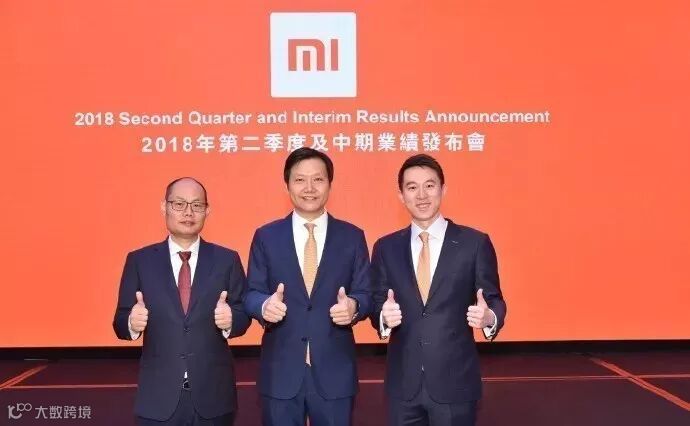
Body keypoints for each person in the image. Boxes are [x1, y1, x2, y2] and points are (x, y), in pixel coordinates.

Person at [370, 154, 507, 426]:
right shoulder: (385, 247)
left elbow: (493, 300)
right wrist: (383, 316)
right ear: (401, 196)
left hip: (455, 383)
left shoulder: (474, 243)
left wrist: (489, 317)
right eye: (412, 187)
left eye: (429, 185)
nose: (421, 195)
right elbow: (377, 303)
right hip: (403, 386)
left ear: (443, 189)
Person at [244, 147, 372, 426]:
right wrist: (265, 306)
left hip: (335, 372)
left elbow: (365, 292)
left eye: (318, 179)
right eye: (300, 180)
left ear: (330, 184)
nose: (309, 188)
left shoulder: (352, 236)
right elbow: (251, 292)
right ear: (287, 185)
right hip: (280, 372)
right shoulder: (266, 236)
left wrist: (354, 306)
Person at [113, 177, 250, 425]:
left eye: (197, 205)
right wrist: (132, 323)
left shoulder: (227, 260)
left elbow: (243, 315)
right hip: (158, 397)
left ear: (207, 210)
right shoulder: (140, 261)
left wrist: (231, 320)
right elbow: (120, 322)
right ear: (164, 207)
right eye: (179, 204)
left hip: (214, 396)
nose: (188, 212)